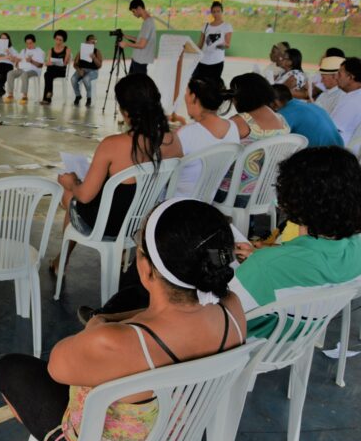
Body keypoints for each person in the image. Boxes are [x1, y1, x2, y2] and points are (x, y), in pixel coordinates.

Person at [0, 198, 246, 441]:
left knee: (11, 369)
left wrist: (98, 324)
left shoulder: (113, 342)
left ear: (147, 269)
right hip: (173, 436)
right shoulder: (233, 310)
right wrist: (114, 319)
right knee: (129, 299)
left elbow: (57, 368)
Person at [230, 146, 361, 337]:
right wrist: (266, 255)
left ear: (293, 199)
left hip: (248, 341)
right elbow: (305, 266)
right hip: (296, 339)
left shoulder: (266, 266)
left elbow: (221, 312)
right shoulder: (356, 249)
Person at [50, 74, 182, 275]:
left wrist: (72, 181)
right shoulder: (172, 140)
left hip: (109, 225)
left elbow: (85, 195)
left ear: (126, 111)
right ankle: (121, 254)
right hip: (144, 222)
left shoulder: (112, 145)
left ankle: (62, 261)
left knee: (67, 194)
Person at [216, 73, 290, 208]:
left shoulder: (241, 121)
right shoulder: (281, 120)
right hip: (266, 192)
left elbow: (216, 149)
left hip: (233, 193)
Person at [173, 77, 240, 198]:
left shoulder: (185, 133)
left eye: (186, 93)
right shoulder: (232, 127)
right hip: (207, 200)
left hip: (176, 200)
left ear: (193, 97)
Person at [271, 84, 342, 147]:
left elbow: (271, 138)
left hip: (325, 156)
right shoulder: (303, 104)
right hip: (340, 150)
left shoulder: (285, 113)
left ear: (275, 103)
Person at [331, 57, 361, 145]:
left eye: (339, 74)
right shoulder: (360, 94)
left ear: (350, 77)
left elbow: (331, 129)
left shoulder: (353, 102)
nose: (335, 77)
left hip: (338, 148)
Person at [192, 1, 232, 82]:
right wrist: (191, 51)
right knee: (199, 84)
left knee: (213, 85)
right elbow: (200, 44)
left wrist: (221, 46)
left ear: (222, 11)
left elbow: (227, 45)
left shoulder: (227, 26)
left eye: (218, 11)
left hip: (217, 62)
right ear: (211, 13)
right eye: (214, 12)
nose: (216, 14)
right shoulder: (206, 26)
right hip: (202, 61)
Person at [4, 34, 45, 105]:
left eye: (30, 43)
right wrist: (16, 61)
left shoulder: (39, 51)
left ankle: (24, 96)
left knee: (24, 74)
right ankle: (10, 94)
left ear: (34, 42)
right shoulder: (23, 51)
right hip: (22, 69)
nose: (29, 45)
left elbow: (40, 65)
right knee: (10, 73)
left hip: (33, 70)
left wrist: (31, 61)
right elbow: (17, 64)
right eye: (27, 43)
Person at [120, 0, 156, 76]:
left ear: (139, 8)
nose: (133, 14)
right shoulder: (146, 22)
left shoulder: (148, 23)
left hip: (140, 61)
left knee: (138, 86)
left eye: (133, 11)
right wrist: (126, 36)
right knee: (131, 84)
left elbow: (142, 45)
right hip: (137, 59)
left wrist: (126, 44)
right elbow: (140, 40)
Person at [71, 34, 102, 108]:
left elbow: (99, 65)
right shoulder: (80, 52)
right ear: (86, 42)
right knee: (73, 79)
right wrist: (79, 70)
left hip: (93, 71)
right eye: (91, 41)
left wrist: (94, 58)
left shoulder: (97, 51)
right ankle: (78, 95)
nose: (93, 43)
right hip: (81, 69)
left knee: (86, 79)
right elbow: (75, 64)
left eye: (94, 41)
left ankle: (89, 98)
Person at [40, 30, 71, 105]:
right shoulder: (51, 50)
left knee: (47, 74)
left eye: (60, 40)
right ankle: (48, 96)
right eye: (57, 39)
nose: (58, 41)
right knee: (47, 74)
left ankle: (47, 98)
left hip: (61, 70)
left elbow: (65, 62)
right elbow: (47, 62)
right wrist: (48, 63)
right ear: (54, 39)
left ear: (63, 41)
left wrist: (64, 61)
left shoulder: (67, 49)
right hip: (51, 70)